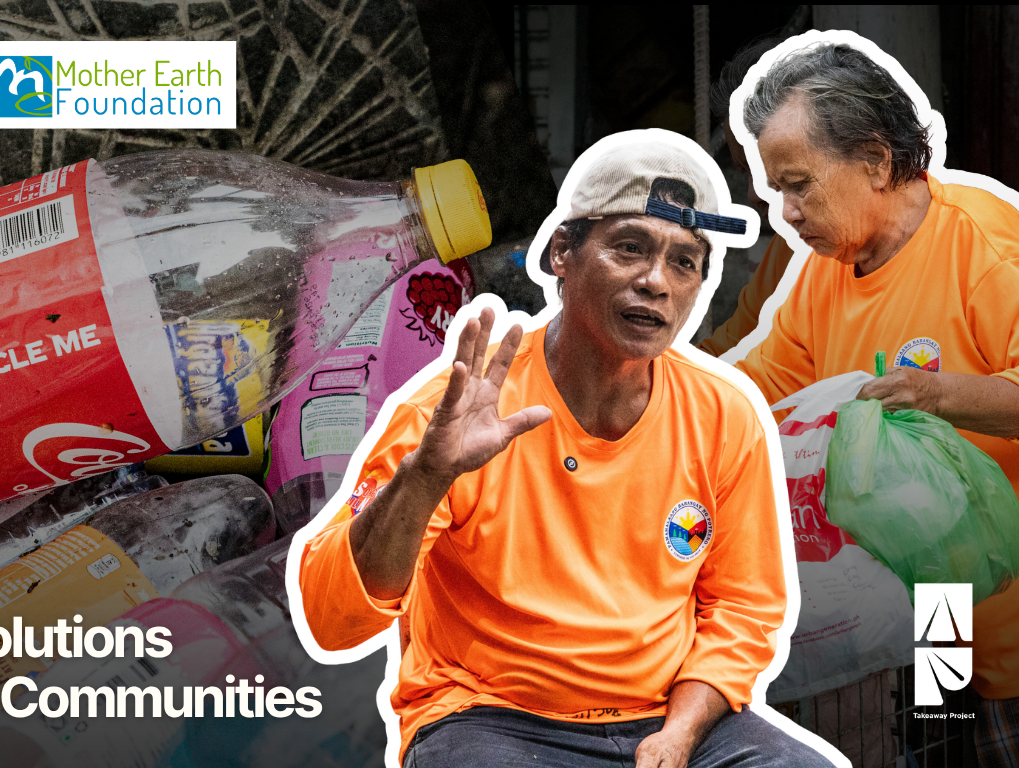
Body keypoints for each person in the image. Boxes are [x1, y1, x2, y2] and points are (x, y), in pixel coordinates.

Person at [298, 139, 835, 768]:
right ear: (561, 254)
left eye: (684, 263)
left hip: (669, 716)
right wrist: (427, 476)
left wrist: (680, 734)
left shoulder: (723, 415)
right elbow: (332, 622)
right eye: (629, 247)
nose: (655, 282)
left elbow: (743, 608)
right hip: (491, 718)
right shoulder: (454, 416)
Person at [733, 42, 1019, 763]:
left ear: (877, 162)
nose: (786, 213)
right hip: (926, 611)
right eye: (776, 192)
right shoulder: (825, 272)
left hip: (1009, 612)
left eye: (798, 185)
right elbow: (755, 395)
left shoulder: (983, 246)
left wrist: (933, 393)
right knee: (938, 749)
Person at [697, 37, 794, 359]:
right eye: (744, 172)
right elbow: (732, 353)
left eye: (777, 171)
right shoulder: (793, 249)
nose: (753, 194)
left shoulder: (953, 244)